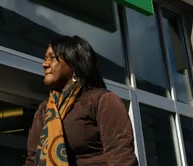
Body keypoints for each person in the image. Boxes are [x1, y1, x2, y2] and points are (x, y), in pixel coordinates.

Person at [25, 35, 138, 166]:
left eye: (52, 58)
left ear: (72, 63)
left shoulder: (102, 100)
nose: (44, 64)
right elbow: (32, 160)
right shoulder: (45, 110)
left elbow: (121, 156)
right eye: (45, 59)